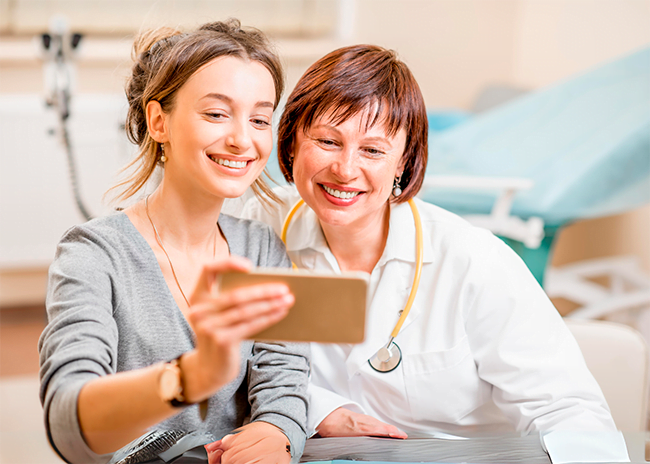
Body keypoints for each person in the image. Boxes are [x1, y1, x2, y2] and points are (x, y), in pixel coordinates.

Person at [241, 44, 618, 439]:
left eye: (372, 150)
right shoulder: (258, 229)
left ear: (403, 161)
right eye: (327, 142)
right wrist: (319, 411)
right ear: (291, 141)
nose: (345, 169)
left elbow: (566, 409)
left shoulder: (474, 260)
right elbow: (229, 363)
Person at [39, 19, 309, 464]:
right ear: (159, 121)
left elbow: (285, 384)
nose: (242, 139)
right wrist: (189, 378)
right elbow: (70, 428)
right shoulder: (93, 255)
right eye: (216, 114)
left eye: (260, 119)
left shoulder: (262, 250)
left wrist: (276, 431)